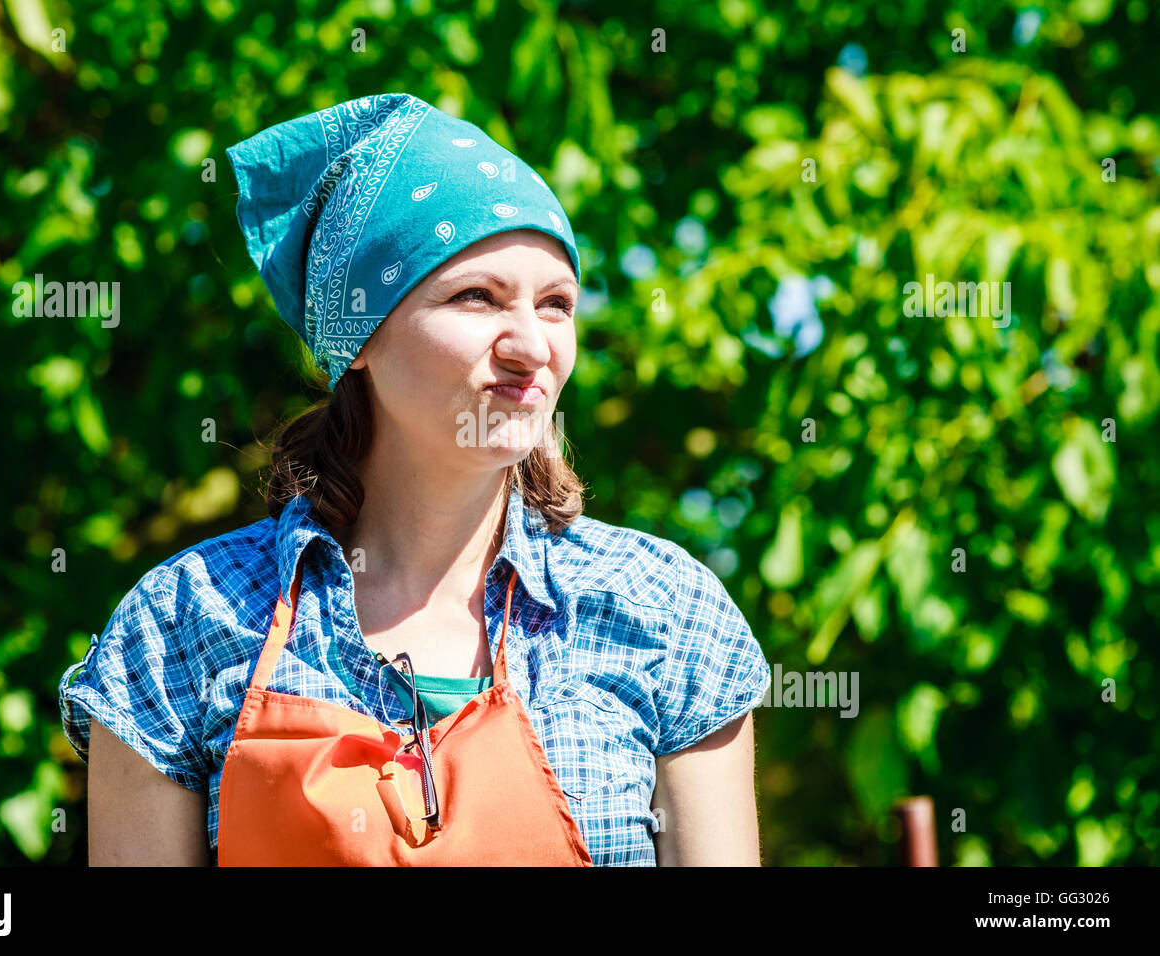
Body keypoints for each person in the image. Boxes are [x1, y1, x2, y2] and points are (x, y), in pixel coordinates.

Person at [58, 92, 772, 866]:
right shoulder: (179, 627)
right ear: (359, 335)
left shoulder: (662, 611)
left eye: (557, 303)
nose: (532, 345)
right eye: (478, 296)